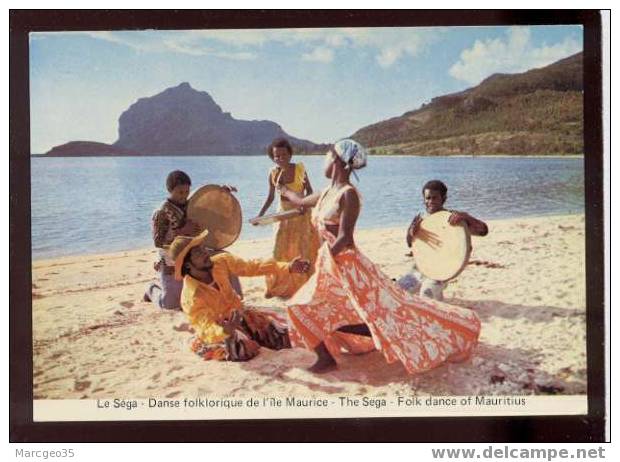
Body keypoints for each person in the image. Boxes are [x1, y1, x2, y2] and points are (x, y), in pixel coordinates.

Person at [279, 139, 481, 374]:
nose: (325, 159)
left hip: (346, 264)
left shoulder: (348, 195)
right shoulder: (326, 193)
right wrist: (284, 190)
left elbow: (345, 237)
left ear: (338, 160)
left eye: (328, 155)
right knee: (318, 308)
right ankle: (330, 355)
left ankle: (346, 350)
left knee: (381, 312)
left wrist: (322, 259)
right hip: (331, 263)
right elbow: (302, 202)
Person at [170, 229, 311, 362]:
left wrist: (287, 267)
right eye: (199, 253)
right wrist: (225, 330)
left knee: (283, 339)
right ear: (188, 265)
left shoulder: (221, 261)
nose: (206, 253)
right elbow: (205, 326)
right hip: (221, 329)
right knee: (243, 351)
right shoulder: (191, 296)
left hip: (240, 315)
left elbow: (251, 267)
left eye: (203, 248)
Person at [398, 180, 488, 301]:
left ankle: (436, 298)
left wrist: (466, 217)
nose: (430, 202)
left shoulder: (453, 219)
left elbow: (483, 231)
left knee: (426, 294)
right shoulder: (420, 218)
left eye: (434, 198)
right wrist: (411, 233)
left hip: (442, 268)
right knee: (396, 290)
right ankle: (437, 296)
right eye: (427, 198)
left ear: (444, 198)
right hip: (420, 267)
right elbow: (410, 243)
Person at [253, 137, 320, 299]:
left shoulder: (300, 169)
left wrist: (306, 204)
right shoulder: (273, 173)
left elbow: (310, 191)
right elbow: (270, 197)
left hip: (302, 215)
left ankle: (303, 287)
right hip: (283, 215)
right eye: (276, 156)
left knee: (302, 250)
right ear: (272, 157)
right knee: (278, 250)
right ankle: (275, 286)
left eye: (283, 155)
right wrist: (260, 216)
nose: (280, 158)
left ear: (290, 154)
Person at [143, 170, 200, 310]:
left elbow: (207, 197)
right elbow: (158, 241)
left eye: (187, 191)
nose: (184, 195)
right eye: (180, 192)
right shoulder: (161, 212)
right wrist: (182, 231)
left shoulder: (189, 204)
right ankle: (151, 288)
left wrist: (222, 191)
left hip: (189, 260)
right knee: (170, 305)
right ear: (170, 190)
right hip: (170, 262)